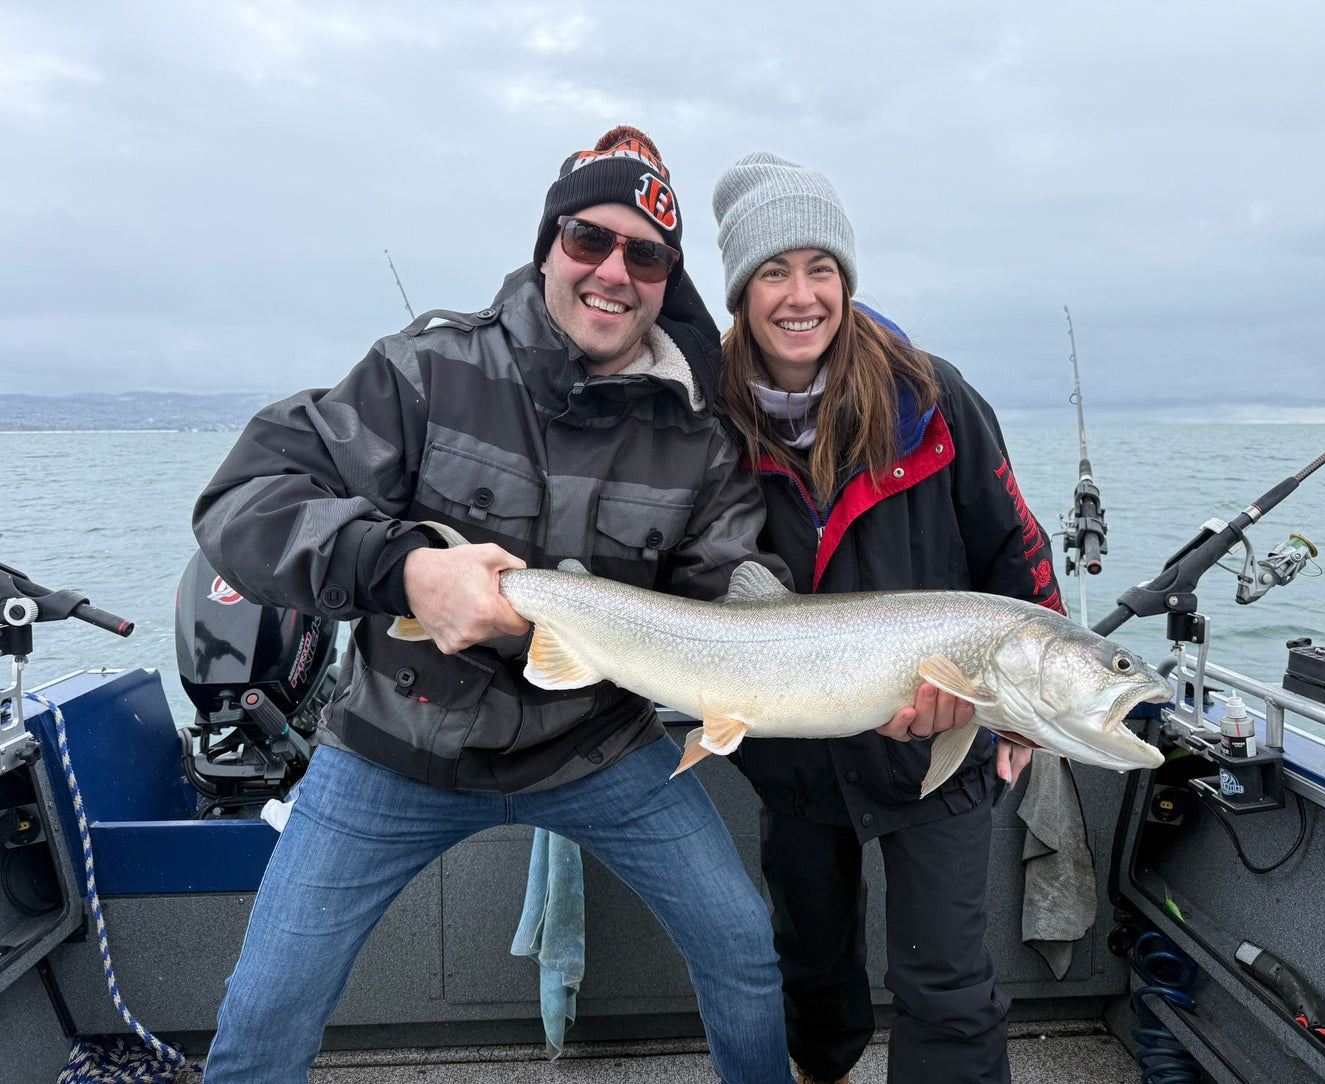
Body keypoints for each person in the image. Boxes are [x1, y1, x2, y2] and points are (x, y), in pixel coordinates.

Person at [191, 126, 799, 1084]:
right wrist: (402, 569)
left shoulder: (699, 434)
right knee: (265, 1008)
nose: (612, 271)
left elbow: (723, 600)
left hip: (597, 743)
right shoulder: (425, 370)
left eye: (644, 255)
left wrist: (845, 670)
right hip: (396, 743)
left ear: (666, 278)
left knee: (745, 954)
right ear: (548, 243)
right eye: (587, 241)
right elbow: (243, 503)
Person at [710, 152, 1066, 1084]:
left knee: (946, 982)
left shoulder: (934, 396)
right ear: (741, 292)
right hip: (792, 741)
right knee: (812, 966)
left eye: (819, 269)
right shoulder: (708, 417)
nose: (800, 296)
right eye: (772, 272)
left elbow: (1017, 552)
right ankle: (816, 1067)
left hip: (935, 747)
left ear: (846, 281)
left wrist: (1022, 707)